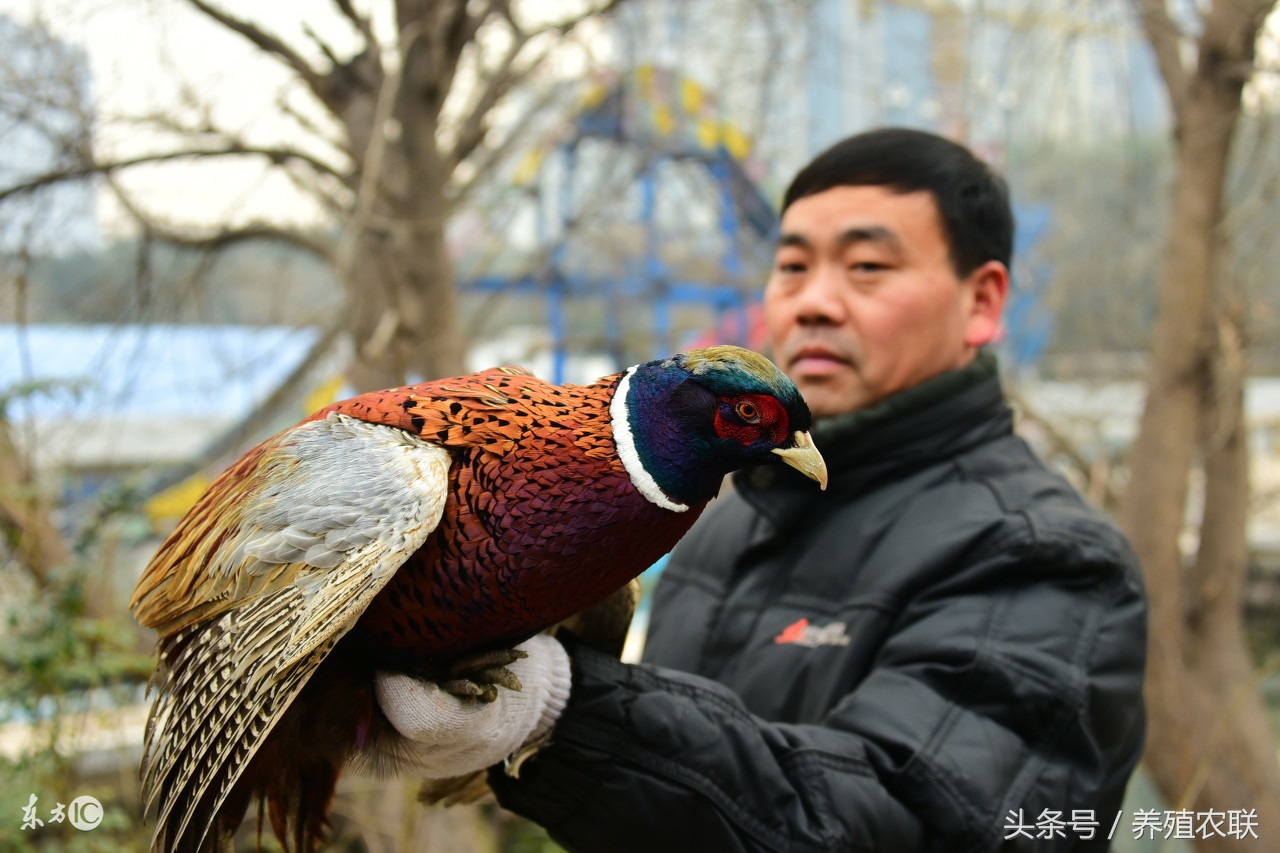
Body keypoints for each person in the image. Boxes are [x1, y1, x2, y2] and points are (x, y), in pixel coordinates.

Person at [375, 127, 1148, 851]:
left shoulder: (1047, 555)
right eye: (792, 264)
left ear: (982, 301)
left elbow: (924, 818)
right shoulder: (723, 517)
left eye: (867, 266)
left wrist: (560, 712)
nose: (812, 300)